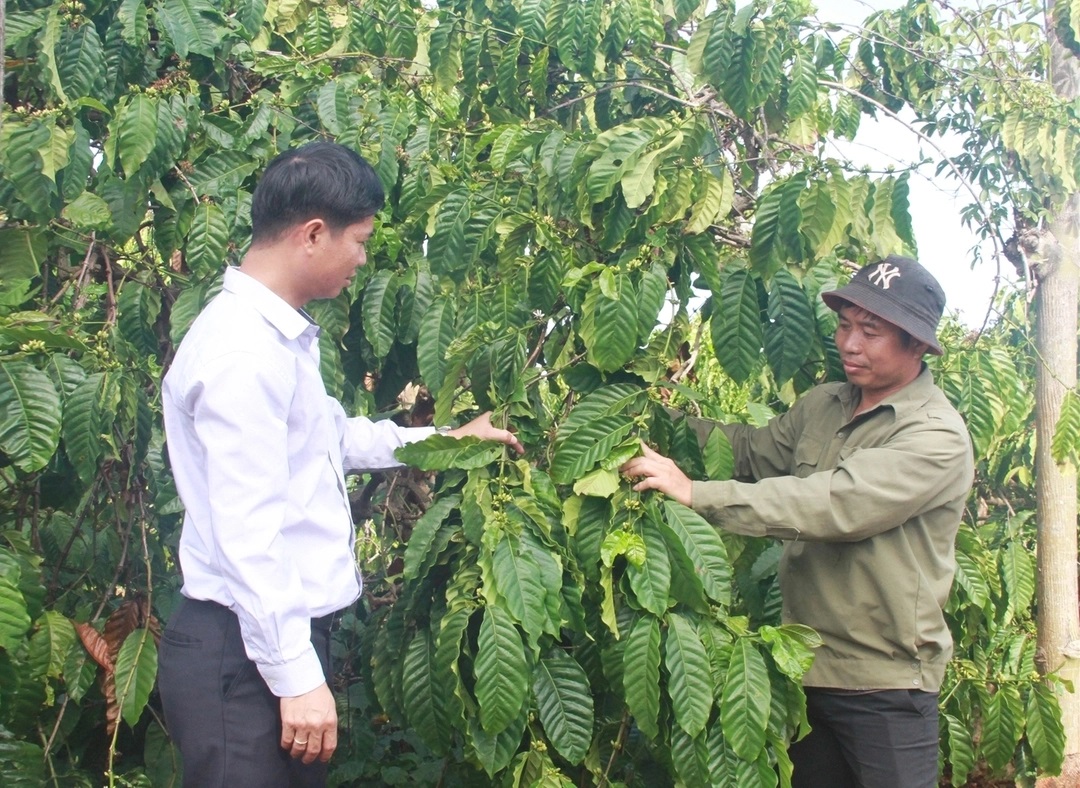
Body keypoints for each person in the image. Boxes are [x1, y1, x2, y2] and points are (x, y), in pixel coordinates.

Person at [158, 141, 522, 788]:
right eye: (359, 241)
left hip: (264, 646)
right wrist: (295, 676)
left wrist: (448, 439)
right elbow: (250, 535)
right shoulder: (243, 352)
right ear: (313, 234)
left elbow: (332, 438)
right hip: (243, 658)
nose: (362, 258)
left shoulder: (274, 337)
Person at [621, 255, 974, 788]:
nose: (850, 344)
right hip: (803, 670)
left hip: (885, 684)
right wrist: (641, 417)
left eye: (871, 332)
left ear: (918, 344)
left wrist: (697, 494)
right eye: (845, 325)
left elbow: (833, 503)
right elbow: (745, 451)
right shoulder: (823, 405)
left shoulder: (937, 437)